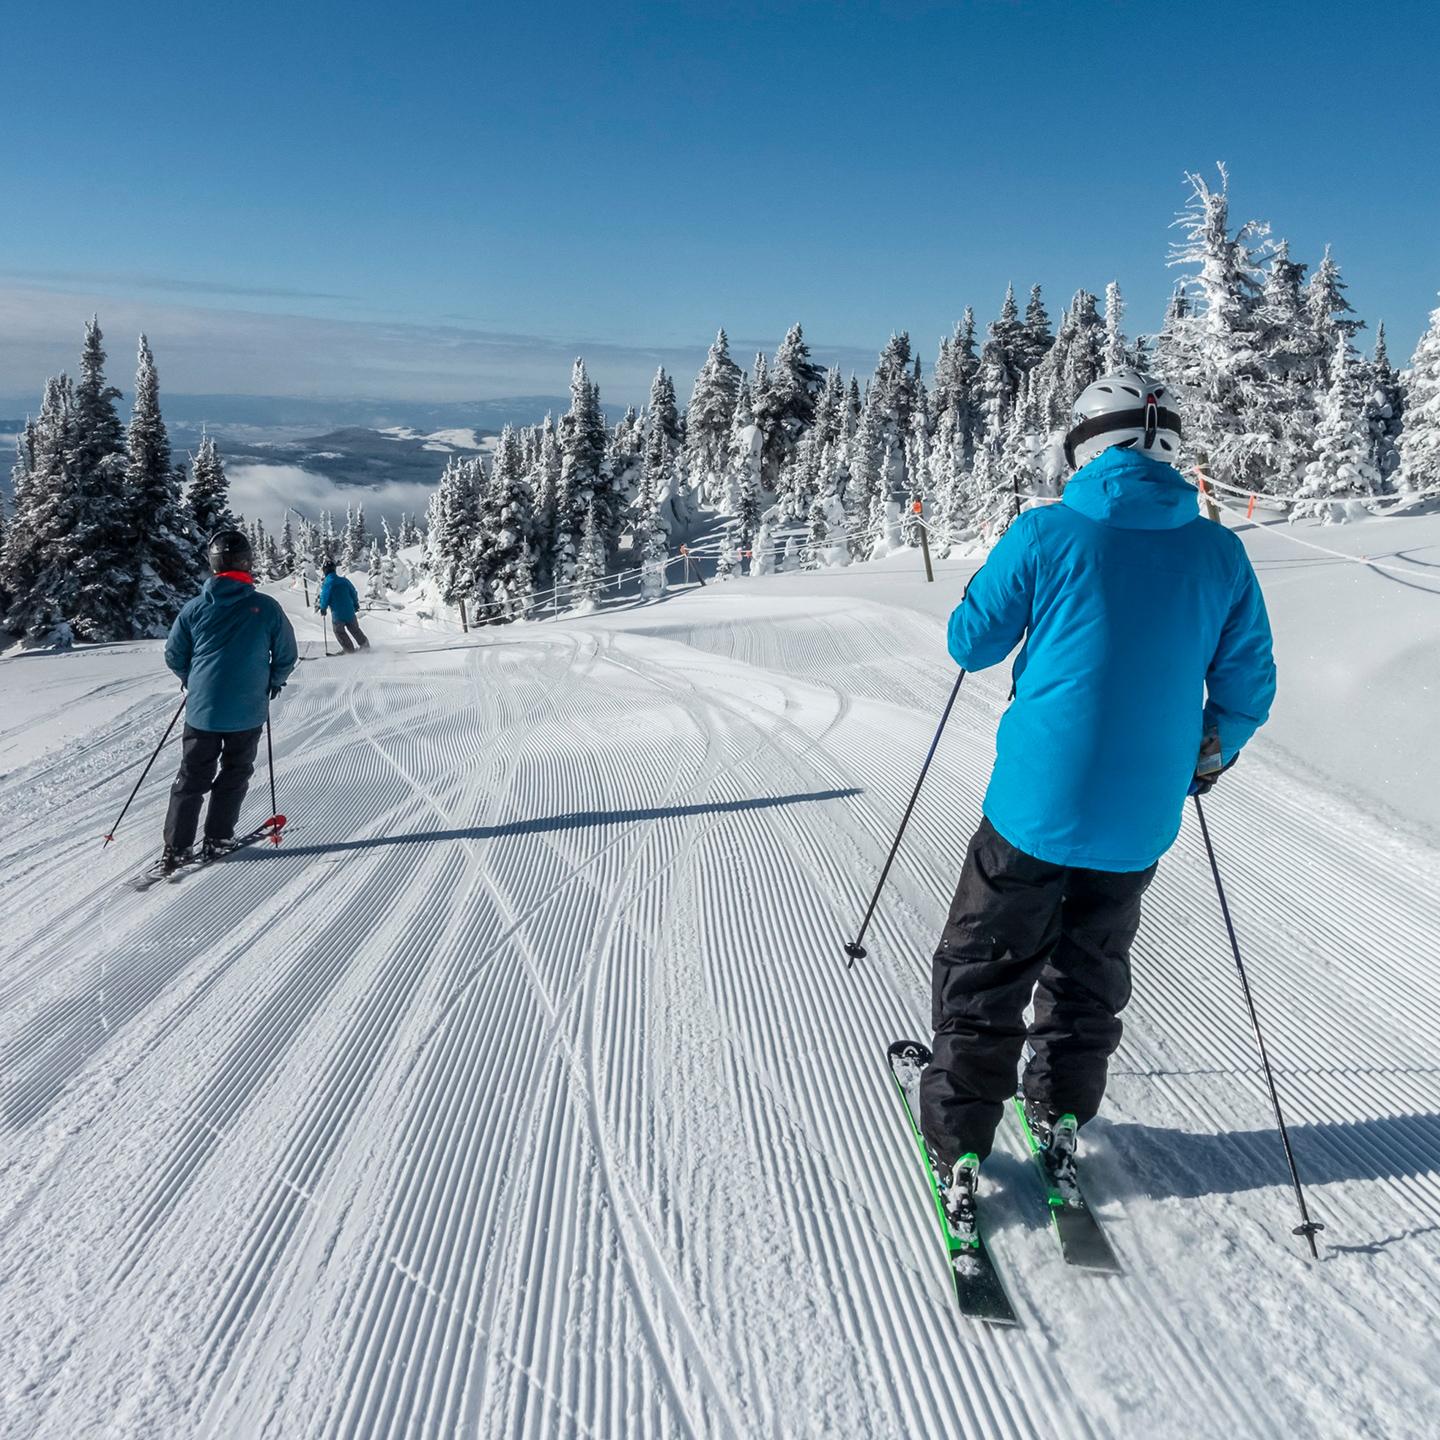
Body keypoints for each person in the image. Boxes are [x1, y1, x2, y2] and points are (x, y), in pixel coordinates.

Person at [920, 369, 1276, 1237]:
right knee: (1090, 969)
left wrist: (988, 588)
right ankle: (1061, 1113)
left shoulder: (1047, 531)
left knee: (989, 962)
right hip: (1140, 814)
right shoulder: (1220, 552)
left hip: (1036, 802)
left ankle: (961, 1140)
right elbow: (1248, 685)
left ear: (1084, 444)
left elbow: (971, 643)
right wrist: (1209, 752)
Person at [152, 529, 298, 875]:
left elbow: (174, 655)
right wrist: (272, 682)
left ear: (213, 565)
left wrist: (194, 680)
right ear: (247, 564)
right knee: (235, 772)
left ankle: (177, 848)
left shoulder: (194, 609)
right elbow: (287, 655)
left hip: (202, 711)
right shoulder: (265, 608)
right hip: (247, 710)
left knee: (191, 776)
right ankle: (217, 838)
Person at [317, 559, 369, 652]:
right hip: (350, 612)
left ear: (325, 571)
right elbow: (353, 592)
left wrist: (323, 608)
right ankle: (365, 645)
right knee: (355, 630)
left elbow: (325, 597)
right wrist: (356, 605)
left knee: (339, 632)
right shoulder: (344, 581)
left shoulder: (327, 584)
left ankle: (349, 650)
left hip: (338, 615)